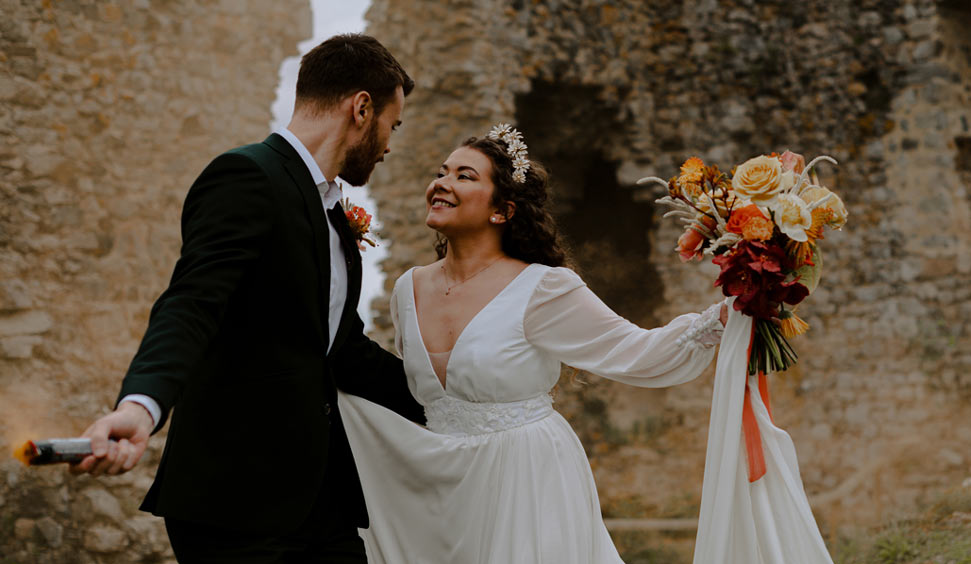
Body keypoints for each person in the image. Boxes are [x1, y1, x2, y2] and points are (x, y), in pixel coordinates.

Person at [70, 34, 423, 563]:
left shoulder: (331, 212)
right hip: (235, 506)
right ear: (361, 108)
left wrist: (452, 403)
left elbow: (340, 348)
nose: (389, 146)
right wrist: (142, 406)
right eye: (391, 127)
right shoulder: (247, 177)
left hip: (321, 503)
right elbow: (192, 301)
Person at [337, 124, 728, 564]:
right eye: (441, 172)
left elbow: (637, 351)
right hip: (442, 489)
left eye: (465, 176)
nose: (442, 184)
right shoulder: (407, 289)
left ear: (502, 211)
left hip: (529, 479)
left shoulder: (543, 288)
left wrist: (723, 319)